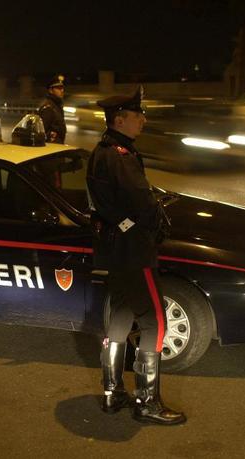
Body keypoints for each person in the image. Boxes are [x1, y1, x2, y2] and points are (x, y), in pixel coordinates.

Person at [86, 86, 186, 426]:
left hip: (114, 251)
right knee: (155, 322)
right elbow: (143, 203)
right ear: (119, 119)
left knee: (119, 318)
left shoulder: (102, 151)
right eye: (137, 115)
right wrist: (159, 221)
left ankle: (112, 394)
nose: (143, 119)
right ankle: (147, 403)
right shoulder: (120, 155)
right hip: (134, 252)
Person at [37, 74, 67, 143]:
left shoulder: (57, 105)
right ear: (51, 90)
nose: (62, 90)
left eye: (62, 88)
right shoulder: (48, 108)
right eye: (58, 88)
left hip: (58, 146)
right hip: (51, 148)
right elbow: (41, 132)